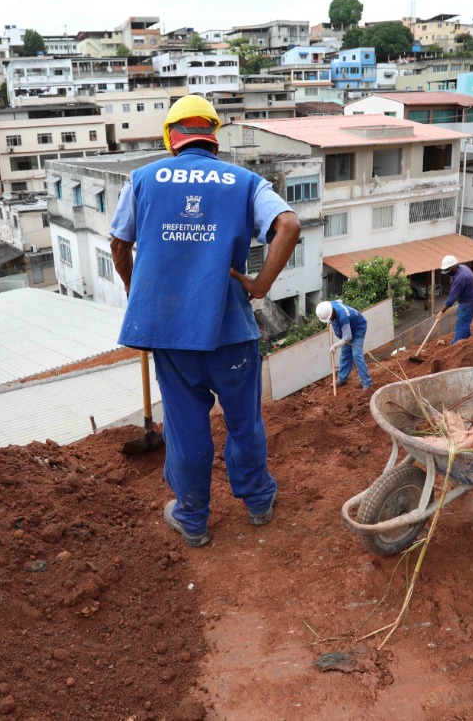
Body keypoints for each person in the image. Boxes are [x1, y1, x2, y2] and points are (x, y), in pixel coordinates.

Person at [109, 94, 301, 548]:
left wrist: (138, 293)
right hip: (231, 330)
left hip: (174, 336)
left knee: (186, 425)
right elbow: (289, 227)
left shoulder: (141, 179)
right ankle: (257, 502)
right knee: (244, 422)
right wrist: (259, 286)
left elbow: (119, 245)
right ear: (213, 136)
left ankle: (192, 518)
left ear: (170, 137)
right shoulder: (245, 181)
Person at [316, 300, 372, 390]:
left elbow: (347, 338)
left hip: (358, 328)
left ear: (332, 312)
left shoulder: (343, 317)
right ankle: (342, 379)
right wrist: (329, 320)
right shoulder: (331, 305)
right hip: (348, 330)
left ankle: (367, 383)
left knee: (357, 355)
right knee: (345, 354)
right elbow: (340, 301)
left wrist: (335, 346)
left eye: (329, 317)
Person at [433, 255, 473, 345]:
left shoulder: (460, 277)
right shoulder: (462, 268)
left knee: (460, 326)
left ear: (454, 267)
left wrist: (442, 312)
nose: (447, 273)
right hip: (467, 301)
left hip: (470, 303)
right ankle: (468, 339)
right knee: (462, 318)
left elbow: (451, 298)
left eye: (448, 270)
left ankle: (455, 347)